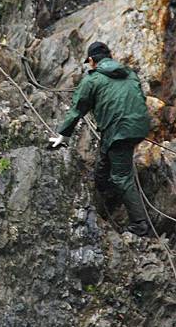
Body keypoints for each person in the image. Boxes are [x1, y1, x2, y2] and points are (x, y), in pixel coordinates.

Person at [49, 41, 151, 236]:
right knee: (109, 155)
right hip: (138, 126)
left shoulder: (92, 80)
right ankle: (102, 185)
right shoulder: (130, 73)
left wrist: (62, 136)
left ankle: (140, 223)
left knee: (122, 176)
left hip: (119, 131)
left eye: (89, 63)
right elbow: (139, 99)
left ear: (91, 61)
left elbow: (77, 109)